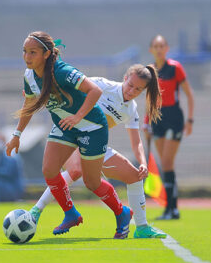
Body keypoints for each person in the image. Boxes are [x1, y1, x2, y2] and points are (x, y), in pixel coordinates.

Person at [5, 31, 132, 239]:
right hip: (65, 126)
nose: (27, 57)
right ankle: (70, 213)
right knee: (49, 170)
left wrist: (77, 117)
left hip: (91, 126)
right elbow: (28, 104)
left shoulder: (62, 71)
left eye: (33, 52)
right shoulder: (29, 76)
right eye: (25, 52)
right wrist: (17, 134)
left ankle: (122, 212)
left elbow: (95, 91)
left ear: (46, 54)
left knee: (92, 183)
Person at [29, 64, 167, 239]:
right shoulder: (102, 85)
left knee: (134, 176)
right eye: (130, 85)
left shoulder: (131, 110)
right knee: (75, 170)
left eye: (138, 89)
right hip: (74, 137)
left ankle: (141, 227)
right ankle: (37, 210)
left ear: (144, 91)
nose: (132, 91)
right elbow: (73, 89)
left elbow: (137, 142)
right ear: (125, 78)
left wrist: (143, 163)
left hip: (96, 145)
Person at [143, 35, 195, 220]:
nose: (158, 49)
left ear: (167, 48)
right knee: (166, 166)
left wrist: (190, 120)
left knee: (166, 163)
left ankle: (172, 209)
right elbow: (150, 99)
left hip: (173, 117)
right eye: (155, 46)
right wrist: (145, 122)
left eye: (162, 46)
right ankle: (170, 209)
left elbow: (189, 95)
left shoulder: (175, 68)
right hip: (157, 119)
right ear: (151, 49)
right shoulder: (150, 71)